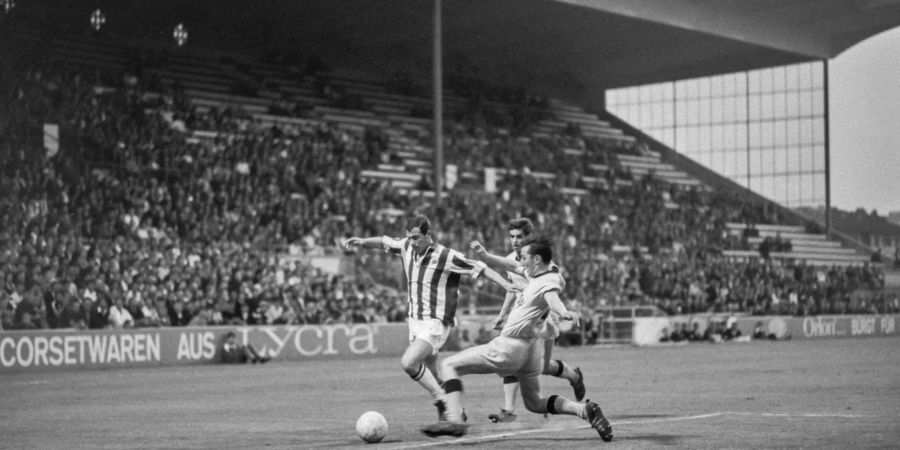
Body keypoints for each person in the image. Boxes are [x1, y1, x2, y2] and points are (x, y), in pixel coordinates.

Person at [422, 235, 612, 441]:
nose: (520, 261)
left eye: (524, 257)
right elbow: (512, 265)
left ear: (536, 259)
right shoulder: (542, 273)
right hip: (530, 351)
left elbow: (552, 298)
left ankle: (455, 421)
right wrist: (486, 256)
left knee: (449, 365)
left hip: (510, 347)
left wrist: (564, 312)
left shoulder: (547, 282)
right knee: (535, 403)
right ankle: (585, 410)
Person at [345, 215, 517, 421]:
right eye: (409, 237)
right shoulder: (406, 247)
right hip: (415, 322)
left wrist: (506, 285)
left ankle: (441, 401)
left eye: (416, 237)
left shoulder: (445, 255)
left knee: (409, 362)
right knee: (434, 374)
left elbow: (481, 268)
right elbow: (384, 241)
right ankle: (457, 412)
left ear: (429, 235)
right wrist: (363, 242)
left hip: (435, 322)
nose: (412, 242)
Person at [469, 218, 586, 423]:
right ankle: (510, 410)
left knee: (542, 367)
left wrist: (562, 310)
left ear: (529, 238)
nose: (515, 241)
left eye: (519, 237)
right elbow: (511, 290)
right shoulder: (513, 260)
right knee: (514, 360)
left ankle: (573, 377)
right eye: (512, 236)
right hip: (522, 319)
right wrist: (503, 314)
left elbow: (554, 290)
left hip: (544, 320)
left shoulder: (542, 263)